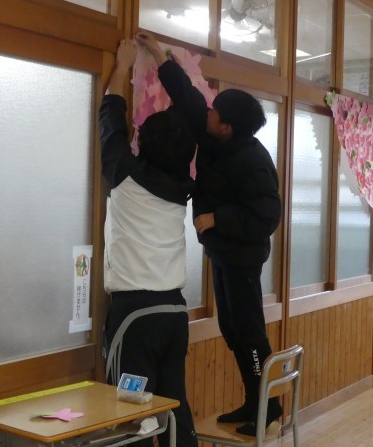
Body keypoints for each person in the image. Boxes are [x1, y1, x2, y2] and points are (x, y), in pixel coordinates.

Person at [136, 31, 282, 437]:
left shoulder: (253, 160)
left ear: (228, 128)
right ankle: (255, 401)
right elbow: (187, 96)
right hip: (222, 253)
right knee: (233, 330)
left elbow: (268, 215)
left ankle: (267, 406)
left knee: (248, 332)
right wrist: (158, 54)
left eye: (215, 112)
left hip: (243, 257)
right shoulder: (213, 133)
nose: (208, 113)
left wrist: (218, 219)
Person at [101, 39, 198, 447]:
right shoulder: (183, 187)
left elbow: (111, 116)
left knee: (132, 416)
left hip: (135, 316)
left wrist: (122, 64)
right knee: (174, 406)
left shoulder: (125, 176)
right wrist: (160, 59)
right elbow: (190, 115)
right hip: (174, 311)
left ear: (142, 144)